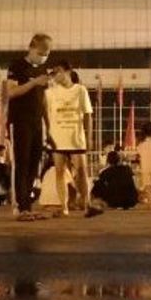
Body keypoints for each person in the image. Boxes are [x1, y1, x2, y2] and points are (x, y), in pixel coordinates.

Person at [6, 33, 53, 221]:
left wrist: (49, 125)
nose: (44, 57)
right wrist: (33, 82)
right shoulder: (17, 66)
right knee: (21, 162)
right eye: (42, 52)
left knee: (35, 163)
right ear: (32, 47)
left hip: (37, 122)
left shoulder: (42, 69)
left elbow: (44, 102)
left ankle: (28, 205)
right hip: (19, 120)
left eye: (47, 54)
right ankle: (20, 206)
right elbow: (11, 92)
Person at [44, 59, 94, 217]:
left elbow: (88, 115)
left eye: (58, 71)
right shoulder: (50, 92)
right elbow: (46, 115)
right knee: (59, 171)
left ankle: (87, 204)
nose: (56, 75)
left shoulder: (80, 90)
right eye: (53, 72)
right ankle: (64, 207)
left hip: (76, 137)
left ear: (67, 71)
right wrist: (47, 135)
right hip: (57, 137)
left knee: (81, 171)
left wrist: (89, 136)